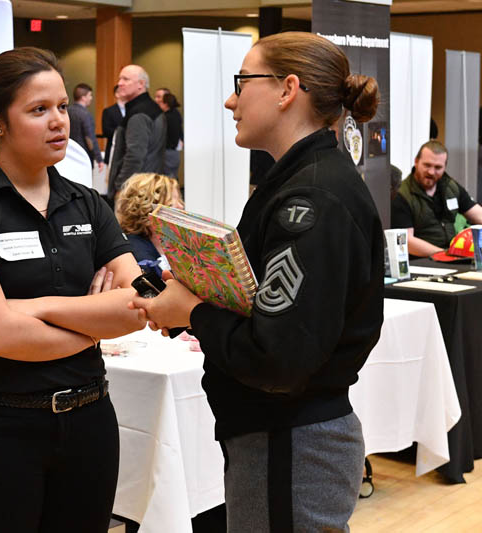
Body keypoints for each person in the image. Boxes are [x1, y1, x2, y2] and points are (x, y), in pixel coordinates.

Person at [130, 32, 384, 531]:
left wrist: (194, 312)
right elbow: (264, 308)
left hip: (291, 439)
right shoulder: (297, 183)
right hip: (279, 436)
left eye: (242, 83)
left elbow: (278, 357)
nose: (230, 100)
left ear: (287, 89)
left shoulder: (311, 199)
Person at [0, 47, 145, 533]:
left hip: (89, 425)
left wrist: (43, 308)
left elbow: (139, 303)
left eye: (63, 107)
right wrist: (92, 322)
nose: (59, 123)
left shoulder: (88, 203)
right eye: (38, 110)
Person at [391, 140, 482, 256]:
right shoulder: (402, 195)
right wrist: (444, 254)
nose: (431, 172)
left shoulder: (450, 187)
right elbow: (407, 241)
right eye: (427, 165)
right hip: (422, 261)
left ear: (445, 167)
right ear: (416, 162)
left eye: (438, 167)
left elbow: (478, 214)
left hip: (452, 258)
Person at [107, 64, 167, 201]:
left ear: (141, 84)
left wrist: (120, 186)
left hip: (136, 192)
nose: (119, 83)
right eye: (119, 79)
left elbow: (135, 156)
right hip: (148, 187)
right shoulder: (151, 109)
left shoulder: (139, 114)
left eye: (125, 79)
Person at [115, 172, 183, 274]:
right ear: (150, 208)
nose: (181, 207)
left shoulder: (172, 244)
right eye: (174, 200)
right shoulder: (135, 251)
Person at [68, 82, 104, 171]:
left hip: (68, 156)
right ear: (83, 97)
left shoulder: (66, 112)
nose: (91, 98)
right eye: (90, 95)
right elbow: (90, 138)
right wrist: (99, 158)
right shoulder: (85, 115)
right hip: (83, 157)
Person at [158, 90, 183, 178]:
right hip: (174, 152)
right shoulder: (176, 114)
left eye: (160, 102)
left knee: (167, 180)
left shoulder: (166, 118)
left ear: (165, 104)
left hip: (167, 153)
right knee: (172, 178)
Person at [101, 85, 125, 164]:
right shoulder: (109, 111)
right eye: (122, 90)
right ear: (117, 94)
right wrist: (122, 132)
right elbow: (106, 131)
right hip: (114, 150)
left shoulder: (132, 110)